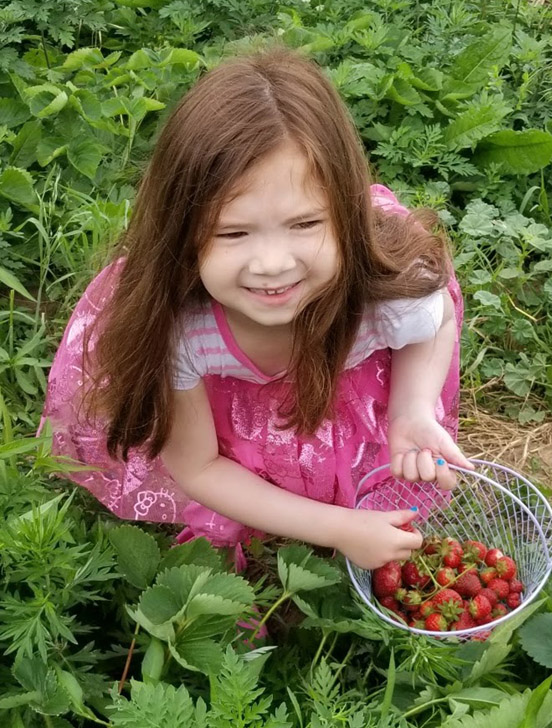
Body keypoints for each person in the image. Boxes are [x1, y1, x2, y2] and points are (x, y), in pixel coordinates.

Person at [42, 48, 471, 570]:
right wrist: (341, 530)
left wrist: (410, 408)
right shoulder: (179, 329)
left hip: (336, 364)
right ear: (182, 232)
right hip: (220, 395)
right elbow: (198, 467)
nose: (272, 264)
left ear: (346, 218)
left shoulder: (379, 290)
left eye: (306, 224)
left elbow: (436, 319)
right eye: (233, 232)